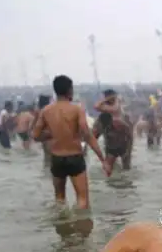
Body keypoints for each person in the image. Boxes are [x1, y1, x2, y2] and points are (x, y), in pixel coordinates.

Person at [32, 75, 111, 209]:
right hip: (74, 157)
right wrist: (103, 160)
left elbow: (35, 135)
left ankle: (63, 227)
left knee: (59, 200)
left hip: (56, 158)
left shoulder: (46, 111)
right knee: (82, 199)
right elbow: (87, 134)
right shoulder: (76, 109)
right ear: (70, 90)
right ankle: (81, 227)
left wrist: (52, 134)